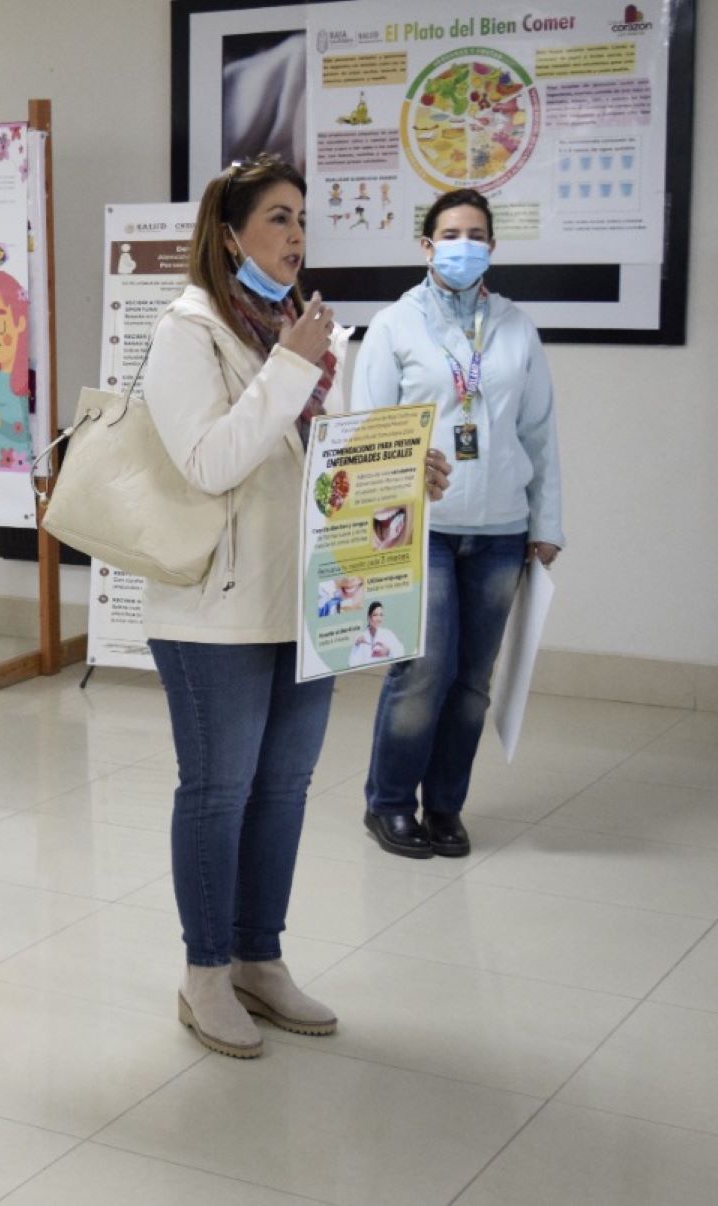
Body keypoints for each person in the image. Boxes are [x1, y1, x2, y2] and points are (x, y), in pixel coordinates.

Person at [139, 154, 450, 1059]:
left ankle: (257, 959)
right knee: (218, 791)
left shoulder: (305, 332)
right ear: (229, 234)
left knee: (283, 790)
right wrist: (289, 366)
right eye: (278, 219)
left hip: (313, 603)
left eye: (303, 220)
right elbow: (210, 462)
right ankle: (204, 974)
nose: (296, 238)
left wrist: (407, 471)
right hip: (215, 613)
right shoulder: (186, 331)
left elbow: (334, 467)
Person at [351, 187, 563, 859]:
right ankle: (388, 803)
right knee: (423, 670)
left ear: (492, 247)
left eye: (475, 233)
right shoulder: (394, 325)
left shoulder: (515, 327)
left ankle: (445, 806)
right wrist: (374, 528)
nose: (462, 244)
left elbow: (540, 433)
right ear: (427, 245)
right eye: (450, 233)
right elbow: (368, 434)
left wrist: (545, 520)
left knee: (473, 681)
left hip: (501, 531)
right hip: (424, 528)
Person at [348, 601, 406, 667]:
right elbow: (352, 663)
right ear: (369, 617)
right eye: (375, 615)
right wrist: (357, 645)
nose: (378, 619)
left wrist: (388, 651)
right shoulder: (361, 638)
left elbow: (401, 652)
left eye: (381, 615)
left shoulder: (388, 634)